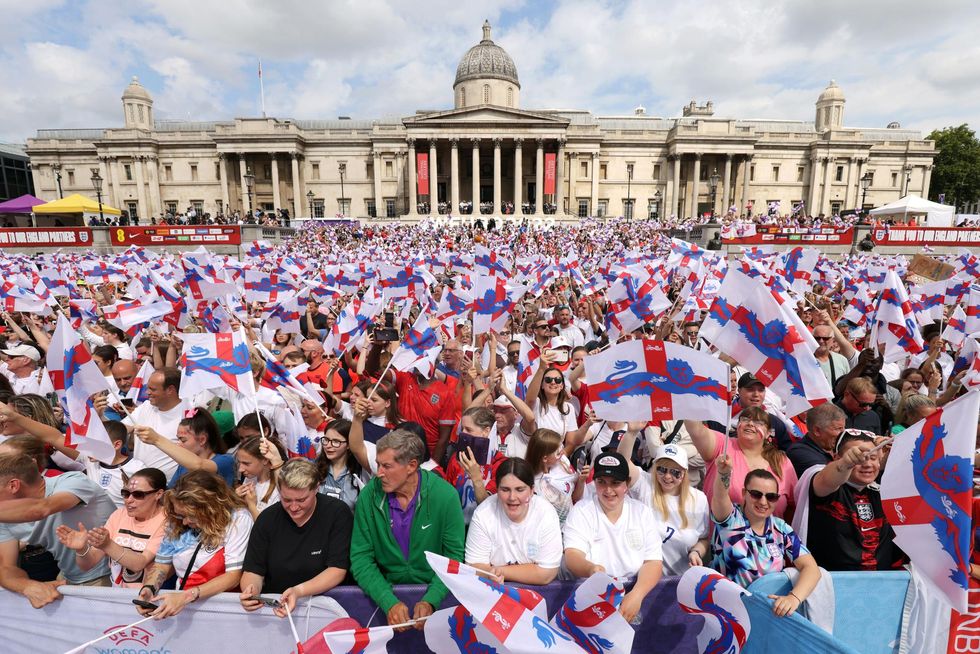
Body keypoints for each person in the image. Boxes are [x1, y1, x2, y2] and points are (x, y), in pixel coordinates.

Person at [349, 428, 465, 631]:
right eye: (378, 464)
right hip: (382, 598)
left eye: (386, 466)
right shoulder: (368, 497)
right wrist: (387, 601)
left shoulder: (445, 496)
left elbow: (454, 558)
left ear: (411, 466)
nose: (379, 472)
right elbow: (360, 559)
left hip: (438, 597)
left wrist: (431, 599)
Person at [0, 452, 117, 607]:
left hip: (111, 577)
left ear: (14, 485)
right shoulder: (6, 516)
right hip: (67, 579)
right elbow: (6, 568)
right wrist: (27, 586)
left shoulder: (72, 481)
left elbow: (42, 509)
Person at [240, 458, 353, 616]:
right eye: (286, 500)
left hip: (326, 611)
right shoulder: (267, 519)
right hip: (276, 611)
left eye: (301, 500)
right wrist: (251, 591)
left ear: (316, 489)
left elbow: (337, 570)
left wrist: (299, 591)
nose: (293, 507)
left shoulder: (337, 513)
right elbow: (253, 570)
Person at [710, 454, 820, 616]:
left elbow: (811, 568)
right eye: (756, 494)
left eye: (771, 497)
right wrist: (724, 474)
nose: (763, 501)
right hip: (727, 614)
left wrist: (793, 598)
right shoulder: (730, 520)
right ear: (744, 493)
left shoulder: (781, 529)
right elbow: (720, 497)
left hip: (766, 614)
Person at [135, 470, 253, 619]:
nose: (184, 522)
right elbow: (162, 565)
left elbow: (234, 575)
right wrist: (150, 588)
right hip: (183, 607)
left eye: (190, 516)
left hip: (222, 610)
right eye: (181, 515)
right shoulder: (177, 521)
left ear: (210, 508)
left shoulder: (238, 519)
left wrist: (186, 597)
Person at [562, 452, 663, 623]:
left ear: (627, 484)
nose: (608, 490)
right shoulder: (582, 510)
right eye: (602, 482)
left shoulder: (642, 512)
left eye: (615, 483)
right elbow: (572, 555)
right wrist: (590, 569)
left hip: (632, 594)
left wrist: (637, 594)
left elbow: (653, 561)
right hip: (592, 595)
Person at [804, 430, 905, 570]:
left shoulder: (883, 491)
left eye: (873, 457)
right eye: (858, 458)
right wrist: (845, 463)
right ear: (835, 457)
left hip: (884, 583)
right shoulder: (828, 488)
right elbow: (827, 479)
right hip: (836, 584)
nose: (867, 464)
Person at [614, 437, 711, 577]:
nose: (667, 476)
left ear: (684, 473)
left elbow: (703, 538)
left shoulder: (698, 499)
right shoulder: (646, 485)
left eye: (675, 472)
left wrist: (696, 552)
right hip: (643, 579)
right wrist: (632, 432)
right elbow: (622, 462)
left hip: (681, 579)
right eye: (662, 469)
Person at [55, 468, 167, 587]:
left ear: (158, 494)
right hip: (116, 594)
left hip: (147, 597)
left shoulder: (166, 521)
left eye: (138, 495)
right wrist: (81, 550)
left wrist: (107, 545)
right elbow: (88, 564)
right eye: (126, 493)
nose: (129, 500)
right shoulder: (119, 515)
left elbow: (139, 564)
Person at [687, 407, 797, 519]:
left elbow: (793, 506)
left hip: (770, 534)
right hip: (723, 534)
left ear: (768, 433)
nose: (750, 423)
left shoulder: (782, 462)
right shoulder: (722, 445)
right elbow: (696, 429)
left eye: (758, 422)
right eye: (744, 419)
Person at [465, 457, 561, 584]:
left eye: (520, 490)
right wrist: (490, 575)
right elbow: (474, 566)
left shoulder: (545, 513)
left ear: (532, 490)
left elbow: (547, 573)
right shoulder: (483, 514)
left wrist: (497, 571)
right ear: (497, 490)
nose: (512, 497)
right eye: (505, 490)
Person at [134, 407, 236, 488]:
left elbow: (199, 465)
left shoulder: (225, 461)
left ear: (202, 440)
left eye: (183, 440)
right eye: (178, 439)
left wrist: (157, 439)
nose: (179, 444)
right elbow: (171, 492)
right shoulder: (184, 465)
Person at [127, 367, 190, 481]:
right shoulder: (146, 406)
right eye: (148, 388)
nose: (147, 392)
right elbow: (121, 429)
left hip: (170, 487)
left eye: (153, 389)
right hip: (140, 484)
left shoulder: (188, 413)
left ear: (170, 390)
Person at [786, 403, 847, 476]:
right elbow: (828, 479)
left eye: (843, 428)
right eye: (838, 429)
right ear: (817, 431)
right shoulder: (799, 453)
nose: (843, 433)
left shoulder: (836, 446)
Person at [235, 436, 283, 519]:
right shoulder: (250, 478)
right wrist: (235, 499)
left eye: (246, 464)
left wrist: (251, 505)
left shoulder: (278, 489)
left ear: (265, 460)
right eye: (239, 463)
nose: (240, 469)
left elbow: (266, 529)